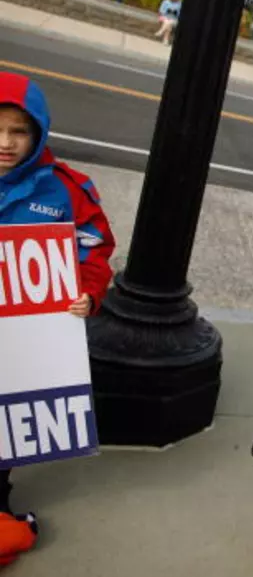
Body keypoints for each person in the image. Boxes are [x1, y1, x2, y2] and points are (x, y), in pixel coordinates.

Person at [0, 72, 115, 524]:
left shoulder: (66, 189)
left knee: (7, 423)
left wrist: (87, 292)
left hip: (22, 341)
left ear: (39, 131)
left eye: (19, 131)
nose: (6, 142)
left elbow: (95, 248)